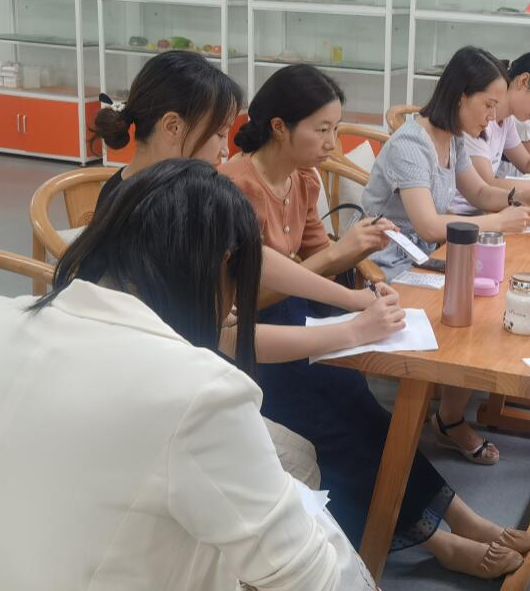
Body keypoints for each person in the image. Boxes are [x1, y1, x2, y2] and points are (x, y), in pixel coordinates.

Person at [0, 160, 477, 591]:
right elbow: (304, 586)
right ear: (223, 268)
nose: (232, 309)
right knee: (297, 528)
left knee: (266, 503)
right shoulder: (195, 389)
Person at [222, 63, 530, 579]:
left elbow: (318, 259)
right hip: (253, 341)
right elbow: (242, 299)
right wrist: (339, 263)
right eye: (322, 130)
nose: (333, 143)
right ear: (279, 127)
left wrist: (361, 274)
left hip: (302, 321)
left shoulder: (301, 178)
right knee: (336, 427)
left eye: (335, 128)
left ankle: (462, 516)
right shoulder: (235, 190)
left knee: (367, 411)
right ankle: (440, 540)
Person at [90, 51, 397, 365]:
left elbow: (254, 255)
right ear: (173, 127)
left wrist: (352, 299)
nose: (226, 150)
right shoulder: (162, 210)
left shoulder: (164, 190)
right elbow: (224, 338)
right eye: (219, 134)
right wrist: (354, 330)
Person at [362, 46, 530, 465]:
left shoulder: (454, 138)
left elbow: (479, 192)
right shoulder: (412, 143)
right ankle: (446, 419)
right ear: (461, 95)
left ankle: (449, 412)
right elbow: (428, 224)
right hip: (391, 261)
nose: (492, 116)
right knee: (476, 300)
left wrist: (517, 197)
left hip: (430, 254)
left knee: (484, 290)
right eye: (488, 105)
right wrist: (499, 221)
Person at [449, 49, 530, 215]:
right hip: (466, 214)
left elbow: (527, 163)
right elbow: (488, 184)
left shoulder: (506, 120)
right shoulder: (476, 120)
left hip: (484, 212)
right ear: (523, 81)